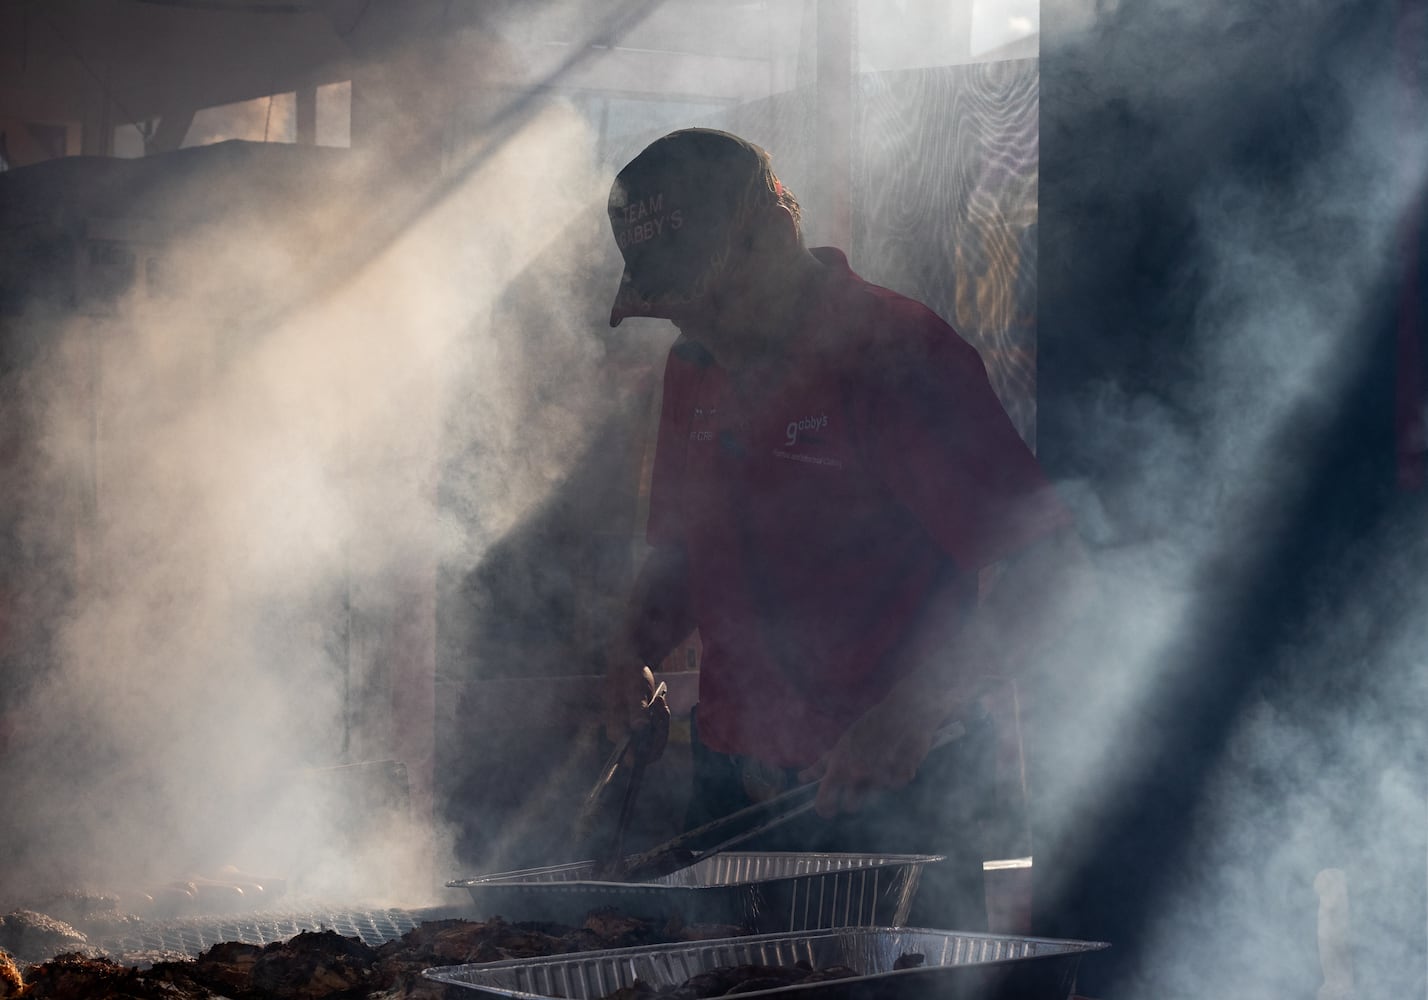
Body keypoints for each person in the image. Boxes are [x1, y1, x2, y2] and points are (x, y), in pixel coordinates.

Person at [602, 127, 1087, 931]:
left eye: (711, 299)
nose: (699, 329)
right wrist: (631, 648)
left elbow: (1054, 572)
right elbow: (685, 551)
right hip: (727, 784)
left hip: (894, 798)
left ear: (772, 232)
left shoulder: (898, 356)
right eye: (677, 308)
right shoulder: (694, 365)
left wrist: (912, 714)